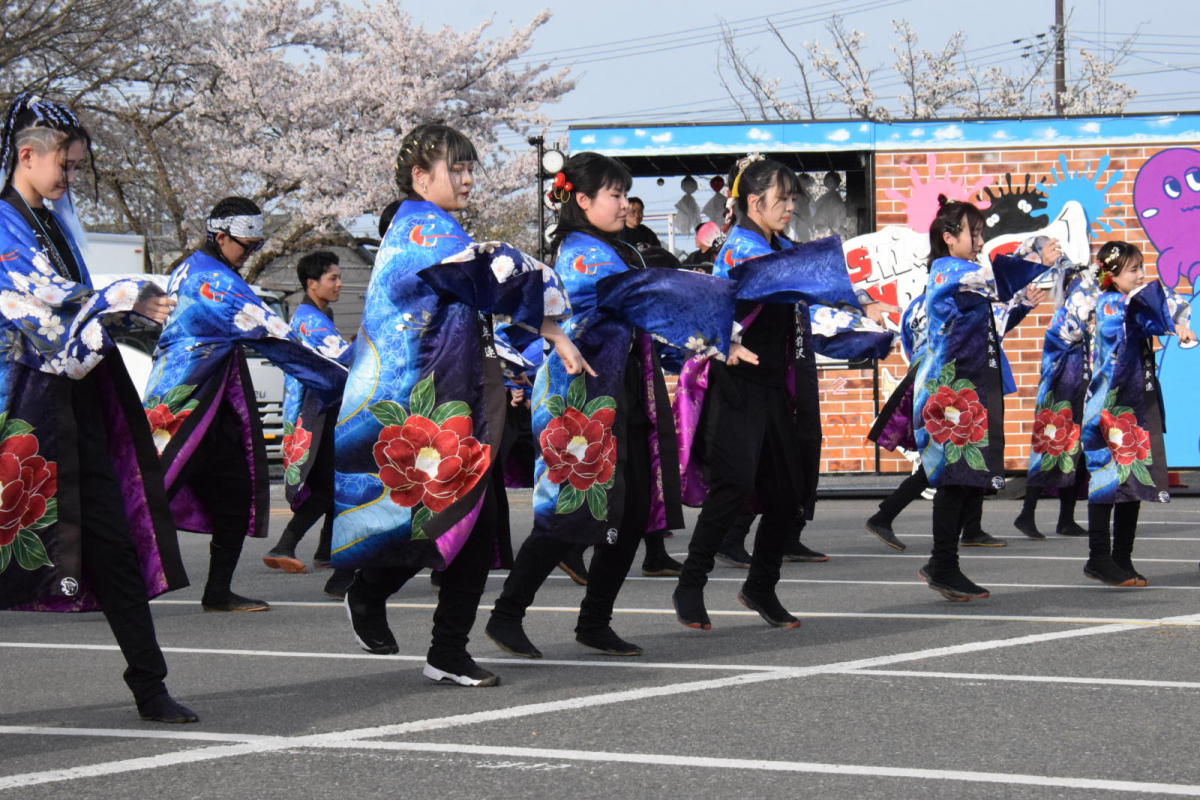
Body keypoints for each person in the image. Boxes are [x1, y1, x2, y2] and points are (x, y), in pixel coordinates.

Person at [334, 123, 586, 687]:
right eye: (457, 168)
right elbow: (487, 272)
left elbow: (484, 282)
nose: (469, 178)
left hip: (456, 397)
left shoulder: (437, 227)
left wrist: (549, 332)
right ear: (420, 178)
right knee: (443, 524)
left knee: (476, 527)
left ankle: (444, 649)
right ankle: (375, 595)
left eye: (472, 168)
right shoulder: (419, 226)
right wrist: (554, 323)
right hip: (422, 400)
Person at [484, 152, 738, 659]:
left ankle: (594, 620)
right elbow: (649, 298)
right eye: (615, 195)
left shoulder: (612, 249)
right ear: (582, 200)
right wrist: (716, 326)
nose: (624, 205)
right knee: (569, 513)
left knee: (634, 513)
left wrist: (705, 339)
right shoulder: (583, 255)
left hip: (622, 398)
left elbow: (646, 315)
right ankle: (506, 614)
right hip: (580, 405)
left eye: (624, 195)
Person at [0, 93, 195, 722]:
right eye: (66, 163)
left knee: (113, 542)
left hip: (71, 406)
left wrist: (119, 303)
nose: (70, 177)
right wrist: (116, 297)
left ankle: (150, 683)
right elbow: (40, 300)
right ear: (25, 155)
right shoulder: (5, 223)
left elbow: (71, 305)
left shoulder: (52, 222)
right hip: (19, 411)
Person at [671, 155, 892, 630]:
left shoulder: (779, 244)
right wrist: (854, 300)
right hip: (737, 384)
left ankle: (760, 587)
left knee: (786, 493)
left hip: (773, 385)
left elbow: (815, 285)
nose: (790, 206)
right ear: (754, 201)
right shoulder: (740, 248)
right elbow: (788, 283)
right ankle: (691, 583)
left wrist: (866, 308)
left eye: (793, 198)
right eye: (782, 198)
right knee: (732, 489)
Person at [145, 197, 348, 613]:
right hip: (186, 399)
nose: (250, 253)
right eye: (246, 245)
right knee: (150, 494)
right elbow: (274, 337)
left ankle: (218, 590)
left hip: (212, 399)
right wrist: (348, 380)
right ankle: (109, 581)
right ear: (220, 237)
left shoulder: (192, 268)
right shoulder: (212, 280)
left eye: (257, 246)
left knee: (235, 493)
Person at [868, 244, 1052, 551]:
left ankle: (967, 527)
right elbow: (988, 328)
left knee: (968, 453)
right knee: (953, 457)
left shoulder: (921, 305)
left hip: (952, 378)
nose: (978, 247)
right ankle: (891, 515)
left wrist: (1021, 306)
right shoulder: (951, 295)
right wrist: (1021, 302)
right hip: (954, 382)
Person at [911, 196, 1051, 601]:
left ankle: (943, 564)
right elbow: (996, 280)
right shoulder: (949, 271)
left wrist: (1023, 300)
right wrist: (1032, 251)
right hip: (949, 395)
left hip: (966, 390)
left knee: (963, 480)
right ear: (948, 237)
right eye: (973, 232)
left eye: (980, 232)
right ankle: (942, 565)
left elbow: (995, 319)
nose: (979, 239)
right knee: (955, 480)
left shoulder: (963, 274)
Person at [1080, 241, 1193, 586]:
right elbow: (1141, 315)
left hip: (1130, 409)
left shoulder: (1128, 301)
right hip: (1107, 411)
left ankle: (1121, 558)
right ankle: (1098, 558)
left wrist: (1180, 322)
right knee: (1105, 484)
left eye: (1141, 266)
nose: (1141, 274)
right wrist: (1174, 324)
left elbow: (1163, 304)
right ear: (1111, 275)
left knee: (1132, 484)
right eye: (1133, 269)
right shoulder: (1112, 306)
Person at [262, 251, 356, 599]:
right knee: (329, 488)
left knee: (333, 483)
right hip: (314, 414)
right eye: (333, 278)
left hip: (320, 412)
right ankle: (286, 546)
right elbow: (342, 359)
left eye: (339, 276)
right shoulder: (310, 320)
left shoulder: (317, 315)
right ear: (311, 284)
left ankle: (324, 552)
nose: (340, 283)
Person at [1015, 241, 1098, 540]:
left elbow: (1063, 264)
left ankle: (1066, 518)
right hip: (1059, 393)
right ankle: (1027, 513)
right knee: (1050, 449)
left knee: (1079, 452)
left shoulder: (1076, 303)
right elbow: (1075, 330)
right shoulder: (1065, 319)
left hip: (1078, 390)